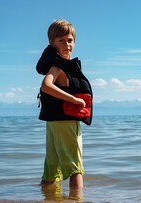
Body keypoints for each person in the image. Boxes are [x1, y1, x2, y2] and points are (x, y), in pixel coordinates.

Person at [36, 20, 93, 191]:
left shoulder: (59, 64)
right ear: (52, 43)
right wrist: (73, 100)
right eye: (61, 41)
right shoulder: (58, 65)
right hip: (66, 122)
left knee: (51, 166)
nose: (67, 44)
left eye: (69, 40)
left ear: (74, 41)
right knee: (75, 167)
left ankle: (48, 199)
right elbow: (46, 85)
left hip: (53, 123)